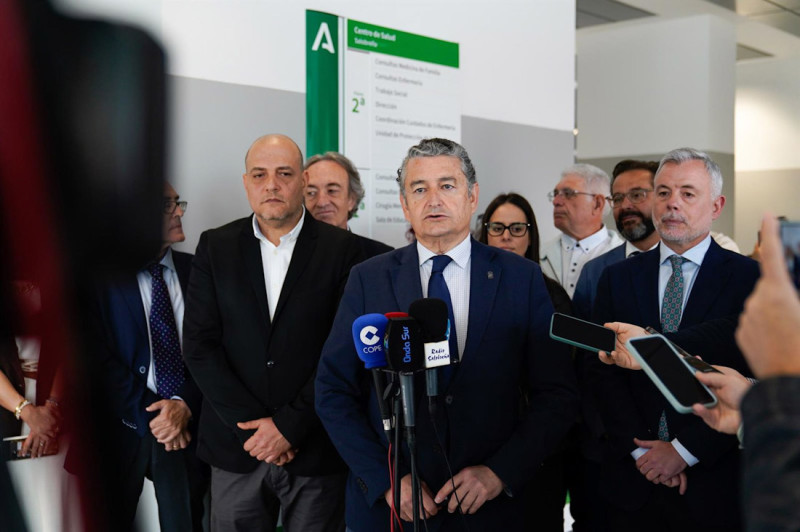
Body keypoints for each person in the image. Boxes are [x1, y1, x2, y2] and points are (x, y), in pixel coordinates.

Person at [315, 138, 579, 531]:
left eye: (447, 186)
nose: (433, 200)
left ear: (473, 197)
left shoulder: (520, 278)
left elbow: (556, 394)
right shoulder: (368, 279)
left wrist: (498, 473)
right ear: (405, 204)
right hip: (395, 510)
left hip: (491, 509)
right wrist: (387, 479)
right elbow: (332, 390)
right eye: (419, 189)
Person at [183, 134, 363, 531]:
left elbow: (342, 353)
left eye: (284, 174)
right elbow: (199, 346)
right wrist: (256, 430)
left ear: (302, 180)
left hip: (315, 448)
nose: (271, 185)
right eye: (259, 174)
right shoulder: (215, 246)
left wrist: (288, 427)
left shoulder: (347, 253)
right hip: (236, 448)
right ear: (246, 182)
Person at [587, 148, 759, 531]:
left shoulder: (751, 280)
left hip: (714, 480)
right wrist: (643, 453)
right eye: (662, 193)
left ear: (717, 205)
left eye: (687, 193)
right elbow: (600, 371)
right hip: (632, 482)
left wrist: (683, 452)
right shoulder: (617, 278)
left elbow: (750, 377)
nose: (671, 204)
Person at [88, 182, 208, 531]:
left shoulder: (200, 271)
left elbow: (218, 349)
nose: (180, 212)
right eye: (168, 205)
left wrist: (183, 404)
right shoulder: (98, 277)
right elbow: (94, 357)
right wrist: (156, 412)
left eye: (178, 203)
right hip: (120, 427)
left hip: (185, 428)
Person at [478, 192, 574, 531]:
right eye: (497, 227)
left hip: (536, 455)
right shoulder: (463, 290)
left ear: (531, 236)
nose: (506, 236)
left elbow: (560, 389)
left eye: (517, 228)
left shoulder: (551, 295)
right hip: (475, 452)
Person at [572, 160, 660, 319]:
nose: (625, 205)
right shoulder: (594, 271)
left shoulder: (681, 263)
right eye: (618, 198)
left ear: (662, 197)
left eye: (637, 195)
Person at [540, 163, 623, 298]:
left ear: (597, 203)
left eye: (568, 193)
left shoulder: (624, 257)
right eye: (555, 194)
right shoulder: (539, 255)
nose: (556, 201)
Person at [304, 152, 393, 258]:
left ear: (351, 200)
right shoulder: (287, 254)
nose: (321, 202)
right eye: (311, 193)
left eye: (332, 191)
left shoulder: (379, 257)